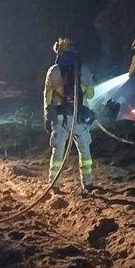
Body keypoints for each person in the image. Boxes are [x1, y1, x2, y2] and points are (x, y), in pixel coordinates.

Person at [43, 37, 96, 194]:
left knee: (58, 152)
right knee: (85, 151)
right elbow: (91, 95)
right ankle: (87, 183)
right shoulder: (83, 69)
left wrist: (47, 117)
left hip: (60, 119)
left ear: (58, 51)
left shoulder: (53, 71)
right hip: (79, 118)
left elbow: (47, 98)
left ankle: (55, 184)